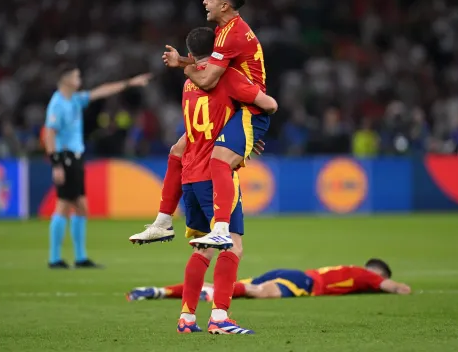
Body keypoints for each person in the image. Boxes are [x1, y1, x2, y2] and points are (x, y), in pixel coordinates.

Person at [134, 27, 277, 335]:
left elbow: (196, 132)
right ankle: (220, 317)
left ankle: (186, 318)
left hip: (190, 177)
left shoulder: (189, 83)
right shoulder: (225, 77)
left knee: (202, 250)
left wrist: (245, 138)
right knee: (232, 247)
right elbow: (267, 105)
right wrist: (249, 136)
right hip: (216, 176)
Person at [43, 64, 152, 269]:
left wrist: (129, 83)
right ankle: (56, 258)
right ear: (66, 79)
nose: (79, 79)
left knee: (80, 207)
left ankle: (79, 257)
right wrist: (56, 164)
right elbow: (49, 134)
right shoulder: (57, 103)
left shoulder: (74, 100)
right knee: (65, 205)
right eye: (76, 76)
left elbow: (101, 91)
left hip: (74, 157)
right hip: (65, 157)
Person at [127, 259, 412, 302]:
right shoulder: (367, 276)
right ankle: (204, 296)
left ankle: (160, 291)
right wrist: (403, 289)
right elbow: (391, 286)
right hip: (305, 283)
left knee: (228, 288)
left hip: (291, 272)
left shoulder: (349, 271)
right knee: (260, 292)